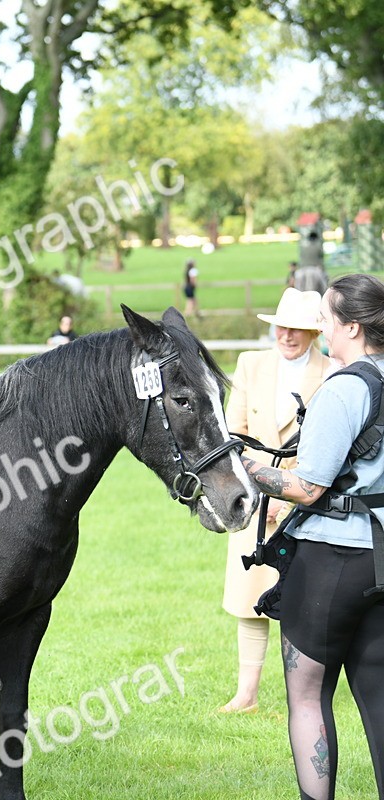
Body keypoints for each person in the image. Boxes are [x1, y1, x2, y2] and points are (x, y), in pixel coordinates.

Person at [238, 273, 384, 800]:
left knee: (306, 696)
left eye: (325, 317)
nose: (319, 325)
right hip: (381, 557)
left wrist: (247, 468)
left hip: (331, 561)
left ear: (351, 326)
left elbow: (306, 485)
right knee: (379, 696)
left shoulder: (345, 387)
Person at [220, 288, 330, 713]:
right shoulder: (251, 364)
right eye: (281, 325)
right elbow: (233, 432)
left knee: (300, 599)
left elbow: (329, 446)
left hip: (307, 499)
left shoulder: (332, 371)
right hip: (251, 497)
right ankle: (246, 694)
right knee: (250, 598)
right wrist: (261, 492)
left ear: (312, 332)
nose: (286, 334)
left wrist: (291, 499)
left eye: (297, 328)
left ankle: (299, 695)